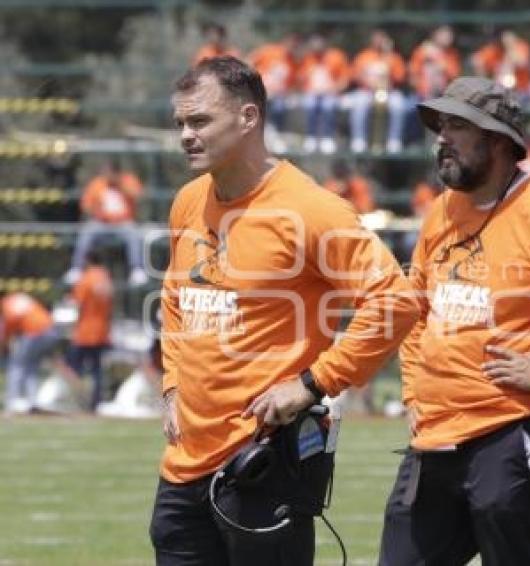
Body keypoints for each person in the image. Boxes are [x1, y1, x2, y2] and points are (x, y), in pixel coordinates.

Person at [149, 56, 419, 565]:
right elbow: (175, 298)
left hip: (263, 460)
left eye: (200, 120)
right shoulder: (188, 201)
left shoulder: (312, 209)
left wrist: (315, 383)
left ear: (249, 118)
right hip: (184, 465)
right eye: (180, 123)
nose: (186, 134)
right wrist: (170, 386)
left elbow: (394, 301)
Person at [378, 76, 530, 566]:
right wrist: (412, 391)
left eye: (457, 126)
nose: (441, 137)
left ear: (497, 141)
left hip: (514, 429)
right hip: (435, 434)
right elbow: (415, 310)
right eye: (440, 125)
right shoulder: (441, 211)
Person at [63, 160, 147, 286]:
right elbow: (86, 205)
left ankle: (137, 270)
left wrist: (121, 186)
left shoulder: (128, 180)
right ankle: (76, 269)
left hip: (123, 223)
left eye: (109, 173)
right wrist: (98, 211)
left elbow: (138, 195)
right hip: (102, 223)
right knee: (87, 231)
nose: (107, 176)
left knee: (134, 234)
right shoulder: (97, 184)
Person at [66, 249, 113, 411]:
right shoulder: (106, 278)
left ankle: (76, 401)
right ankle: (95, 403)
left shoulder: (86, 279)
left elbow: (75, 304)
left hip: (85, 331)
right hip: (102, 331)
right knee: (97, 371)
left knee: (73, 367)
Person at [1, 292, 61, 414]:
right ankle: (32, 401)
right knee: (31, 368)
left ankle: (11, 401)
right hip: (51, 330)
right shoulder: (20, 297)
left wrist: (3, 347)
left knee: (16, 366)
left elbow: (8, 329)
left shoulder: (6, 304)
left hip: (35, 333)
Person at [349, 30, 407, 154]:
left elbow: (400, 77)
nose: (379, 41)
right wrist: (368, 82)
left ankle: (394, 140)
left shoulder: (393, 57)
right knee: (359, 104)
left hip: (389, 92)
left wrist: (388, 56)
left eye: (382, 38)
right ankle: (359, 139)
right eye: (376, 38)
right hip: (367, 91)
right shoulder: (364, 56)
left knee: (398, 105)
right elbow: (355, 76)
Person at [298, 35, 350, 154]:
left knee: (328, 106)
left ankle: (327, 137)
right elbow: (300, 79)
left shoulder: (336, 56)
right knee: (310, 105)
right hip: (312, 93)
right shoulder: (307, 58)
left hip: (331, 93)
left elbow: (345, 79)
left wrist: (334, 88)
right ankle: (311, 137)